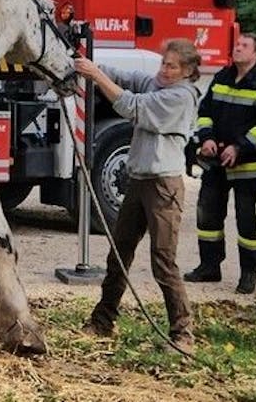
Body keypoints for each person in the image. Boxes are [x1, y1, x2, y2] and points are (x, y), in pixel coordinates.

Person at [78, 38, 202, 353]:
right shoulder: (158, 84)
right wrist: (85, 63)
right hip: (138, 180)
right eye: (163, 63)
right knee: (119, 253)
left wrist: (95, 75)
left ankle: (182, 333)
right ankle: (102, 321)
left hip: (163, 187)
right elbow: (127, 78)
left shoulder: (180, 97)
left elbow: (133, 106)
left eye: (171, 66)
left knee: (163, 261)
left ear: (186, 71)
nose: (164, 69)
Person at [185, 32, 256, 294]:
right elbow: (205, 113)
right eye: (236, 44)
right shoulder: (222, 77)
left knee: (247, 220)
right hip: (216, 164)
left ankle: (249, 272)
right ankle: (209, 266)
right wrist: (206, 139)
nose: (237, 48)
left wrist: (239, 147)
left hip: (249, 168)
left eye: (244, 46)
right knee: (208, 215)